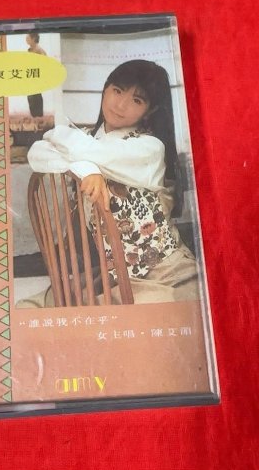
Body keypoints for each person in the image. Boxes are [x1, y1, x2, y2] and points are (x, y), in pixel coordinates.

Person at [18, 59, 199, 306]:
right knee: (43, 307)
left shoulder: (149, 148)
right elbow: (38, 152)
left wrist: (84, 162)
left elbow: (71, 144)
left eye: (137, 100)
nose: (121, 104)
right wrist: (87, 169)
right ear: (105, 89)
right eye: (117, 90)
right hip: (116, 274)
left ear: (150, 110)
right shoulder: (88, 140)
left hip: (165, 272)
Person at [26, 33, 46, 117]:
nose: (26, 39)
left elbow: (44, 65)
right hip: (30, 78)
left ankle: (38, 116)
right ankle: (35, 116)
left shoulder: (39, 51)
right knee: (31, 97)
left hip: (36, 78)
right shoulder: (30, 50)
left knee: (35, 97)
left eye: (28, 38)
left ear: (33, 38)